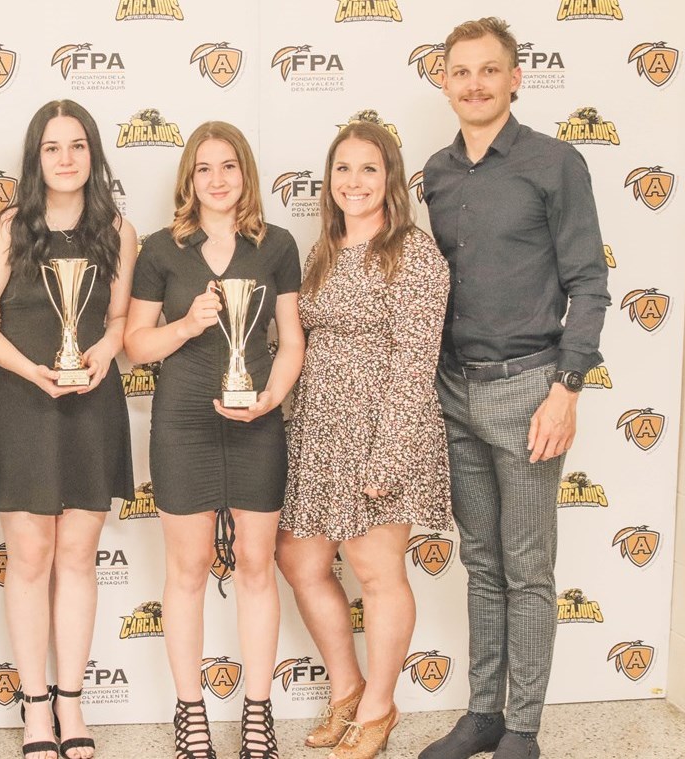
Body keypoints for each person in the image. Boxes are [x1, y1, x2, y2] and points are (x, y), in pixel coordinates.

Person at [419, 18, 610, 759]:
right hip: (454, 391)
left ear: (515, 78)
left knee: (528, 570)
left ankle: (522, 729)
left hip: (530, 388)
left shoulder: (554, 162)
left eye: (489, 70)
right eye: (461, 72)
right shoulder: (436, 173)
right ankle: (483, 714)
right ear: (444, 82)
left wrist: (567, 389)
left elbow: (589, 283)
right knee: (481, 563)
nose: (475, 84)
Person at [0, 99, 137, 759]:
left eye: (77, 145)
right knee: (30, 557)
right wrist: (32, 370)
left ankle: (72, 700)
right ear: (35, 158)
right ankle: (35, 705)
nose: (66, 158)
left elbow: (119, 318)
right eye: (52, 147)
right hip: (21, 402)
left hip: (90, 403)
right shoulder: (8, 230)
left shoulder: (118, 230)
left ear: (93, 154)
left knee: (78, 559)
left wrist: (106, 350)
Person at [123, 121, 304, 759]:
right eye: (204, 168)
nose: (218, 179)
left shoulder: (277, 245)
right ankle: (191, 713)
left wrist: (271, 398)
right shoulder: (160, 250)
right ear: (189, 179)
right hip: (183, 424)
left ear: (245, 173)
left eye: (229, 166)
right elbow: (135, 344)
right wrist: (185, 324)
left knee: (257, 565)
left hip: (257, 422)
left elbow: (291, 340)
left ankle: (258, 712)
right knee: (187, 570)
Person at [277, 117, 451, 759]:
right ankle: (347, 686)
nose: (354, 181)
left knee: (377, 572)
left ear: (391, 179)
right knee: (299, 560)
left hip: (383, 427)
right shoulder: (321, 251)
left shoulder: (413, 252)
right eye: (343, 168)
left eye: (369, 169)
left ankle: (379, 708)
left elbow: (415, 362)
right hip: (320, 430)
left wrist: (389, 454)